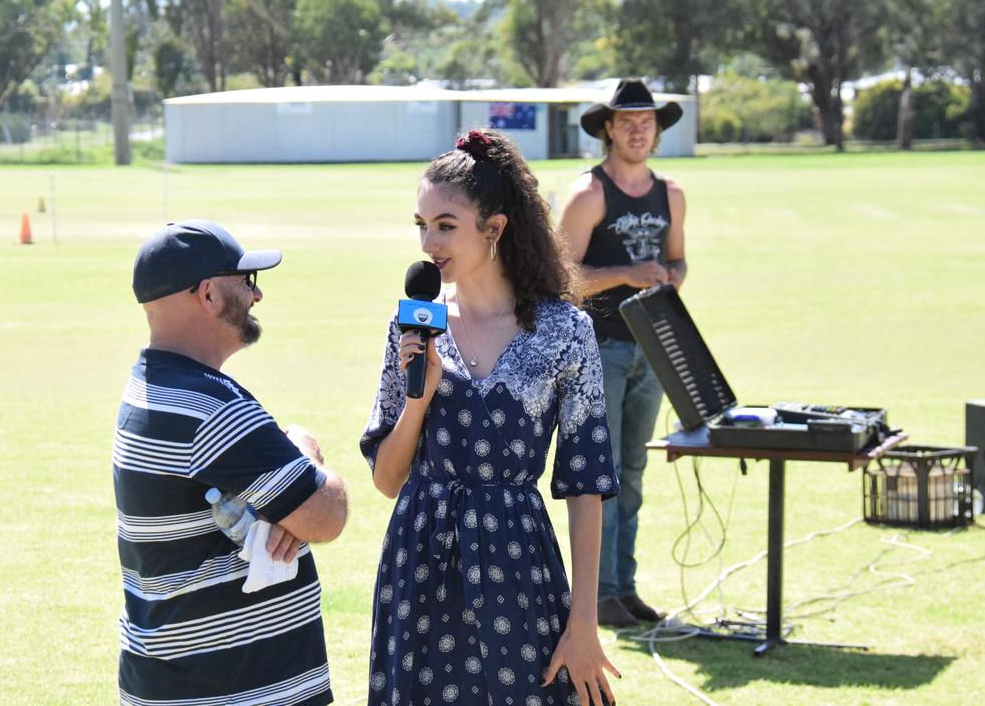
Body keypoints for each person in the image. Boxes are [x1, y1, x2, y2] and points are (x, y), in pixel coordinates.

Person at [361, 130, 621, 706]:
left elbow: (586, 484)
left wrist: (583, 623)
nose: (429, 242)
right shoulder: (412, 325)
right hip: (418, 564)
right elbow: (386, 480)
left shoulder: (565, 330)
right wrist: (418, 399)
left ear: (495, 228)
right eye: (421, 225)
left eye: (446, 225)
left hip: (517, 563)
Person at [112, 219, 349, 705]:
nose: (255, 296)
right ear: (208, 297)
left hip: (176, 682)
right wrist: (307, 454)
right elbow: (326, 515)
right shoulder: (210, 408)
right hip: (233, 691)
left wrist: (285, 501)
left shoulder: (149, 389)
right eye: (246, 282)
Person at [557, 79, 688, 627]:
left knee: (632, 473)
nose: (639, 129)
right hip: (598, 349)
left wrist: (668, 278)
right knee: (599, 476)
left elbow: (680, 260)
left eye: (648, 120)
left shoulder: (672, 194)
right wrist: (626, 274)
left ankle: (623, 587)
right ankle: (598, 594)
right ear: (607, 128)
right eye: (627, 120)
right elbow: (559, 279)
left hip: (651, 349)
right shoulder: (588, 194)